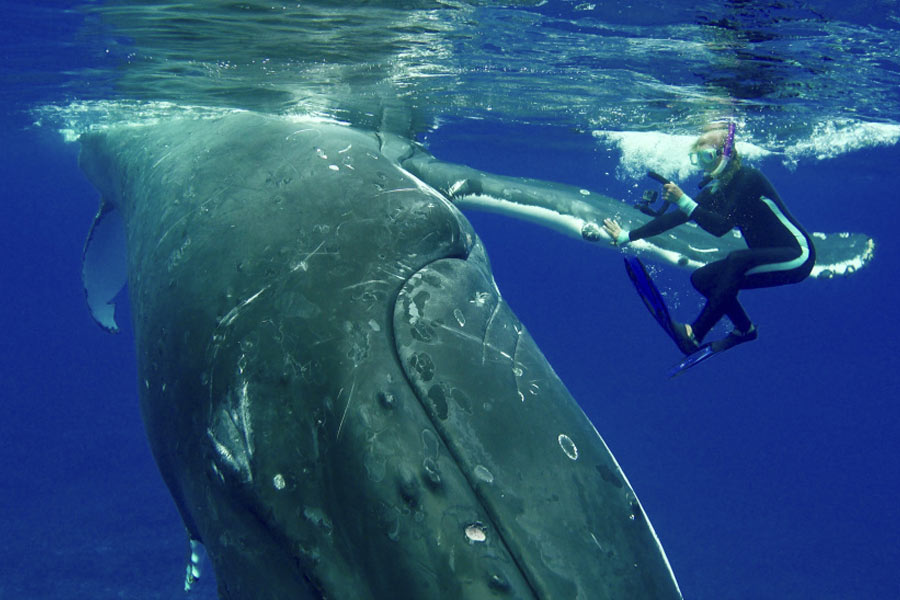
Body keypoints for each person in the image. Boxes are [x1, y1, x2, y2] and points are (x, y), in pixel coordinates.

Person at [602, 123, 816, 354]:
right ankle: (744, 329)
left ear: (725, 155)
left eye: (707, 156)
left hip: (798, 255)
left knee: (737, 260)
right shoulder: (716, 190)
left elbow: (720, 227)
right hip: (769, 259)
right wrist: (627, 236)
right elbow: (673, 219)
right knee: (702, 279)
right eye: (698, 158)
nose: (704, 164)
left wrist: (684, 199)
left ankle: (694, 334)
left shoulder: (748, 179)